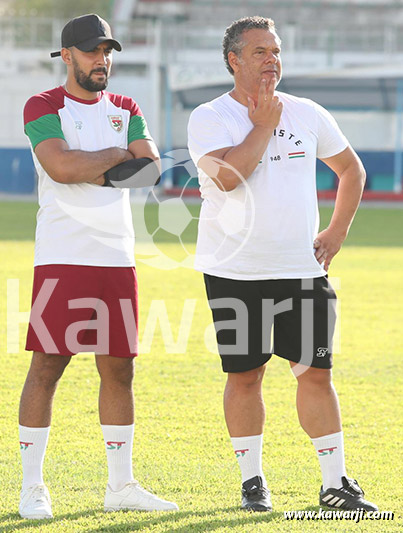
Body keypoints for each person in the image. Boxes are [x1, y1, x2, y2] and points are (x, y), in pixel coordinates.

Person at [187, 16, 378, 512]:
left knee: (315, 373)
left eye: (275, 51)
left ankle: (335, 485)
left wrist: (336, 231)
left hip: (302, 271)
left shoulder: (308, 112)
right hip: (235, 271)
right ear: (233, 60)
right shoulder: (208, 117)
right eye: (259, 52)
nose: (271, 60)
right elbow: (229, 178)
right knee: (246, 376)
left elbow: (351, 169)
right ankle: (253, 484)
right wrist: (263, 125)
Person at [19, 13, 178, 519]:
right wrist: (113, 155)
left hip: (116, 258)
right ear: (67, 56)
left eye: (107, 51)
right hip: (62, 255)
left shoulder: (126, 106)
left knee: (120, 370)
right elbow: (59, 167)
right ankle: (32, 488)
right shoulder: (43, 105)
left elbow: (150, 169)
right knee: (47, 366)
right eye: (91, 52)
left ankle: (121, 486)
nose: (101, 60)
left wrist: (91, 164)